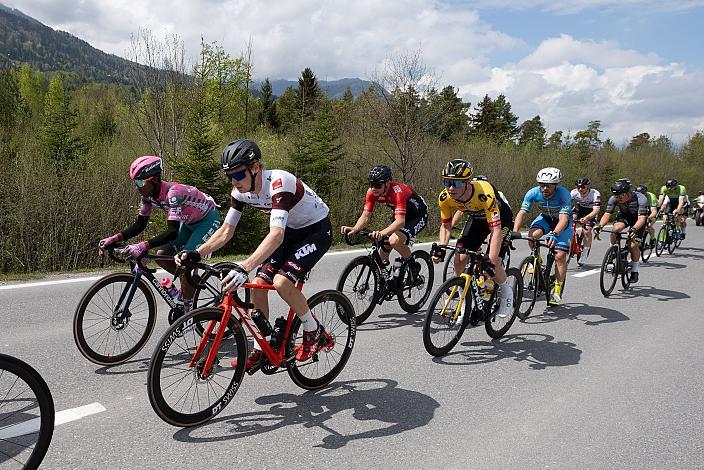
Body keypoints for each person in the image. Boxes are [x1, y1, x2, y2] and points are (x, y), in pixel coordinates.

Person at [176, 139, 333, 371]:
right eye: (229, 176)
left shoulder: (280, 183)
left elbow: (276, 234)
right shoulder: (239, 193)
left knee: (281, 283)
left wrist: (244, 266)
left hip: (316, 231)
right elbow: (227, 230)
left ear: (256, 167)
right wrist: (197, 253)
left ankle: (313, 330)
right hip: (290, 231)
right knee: (257, 284)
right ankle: (262, 347)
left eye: (238, 175)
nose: (234, 181)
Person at [98, 156, 220, 319]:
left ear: (154, 180)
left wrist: (142, 246)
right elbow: (140, 225)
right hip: (188, 222)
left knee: (186, 260)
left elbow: (172, 232)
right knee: (161, 256)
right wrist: (114, 238)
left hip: (207, 220)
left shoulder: (173, 194)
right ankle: (188, 280)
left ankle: (189, 314)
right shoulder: (147, 196)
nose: (137, 187)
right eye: (135, 182)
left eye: (140, 183)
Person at [432, 159, 514, 318]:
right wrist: (442, 247)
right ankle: (464, 300)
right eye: (447, 182)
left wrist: (490, 259)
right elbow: (446, 226)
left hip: (501, 220)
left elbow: (495, 229)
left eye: (456, 184)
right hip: (477, 219)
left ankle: (506, 291)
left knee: (493, 262)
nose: (450, 187)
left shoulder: (484, 193)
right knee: (460, 258)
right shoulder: (445, 197)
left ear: (468, 182)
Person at [340, 164, 428, 281]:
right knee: (383, 248)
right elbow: (365, 216)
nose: (373, 188)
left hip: (417, 216)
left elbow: (400, 222)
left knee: (394, 240)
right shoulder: (371, 193)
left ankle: (413, 266)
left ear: (388, 183)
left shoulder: (398, 192)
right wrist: (355, 228)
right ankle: (385, 280)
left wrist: (381, 232)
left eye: (377, 185)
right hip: (400, 215)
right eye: (371, 184)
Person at [513, 167, 572, 306]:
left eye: (549, 185)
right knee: (532, 235)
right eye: (542, 184)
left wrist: (555, 234)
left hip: (562, 223)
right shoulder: (533, 193)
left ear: (556, 185)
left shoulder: (563, 194)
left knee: (559, 256)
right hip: (545, 219)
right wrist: (515, 231)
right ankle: (536, 259)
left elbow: (563, 219)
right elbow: (522, 213)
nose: (544, 188)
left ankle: (557, 290)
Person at [595, 180, 648, 283]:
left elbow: (641, 219)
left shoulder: (641, 198)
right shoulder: (613, 199)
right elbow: (607, 214)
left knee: (633, 245)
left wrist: (634, 229)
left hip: (638, 219)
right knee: (615, 229)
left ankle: (634, 271)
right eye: (616, 196)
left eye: (620, 196)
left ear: (628, 193)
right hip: (625, 216)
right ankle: (612, 252)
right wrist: (600, 226)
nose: (618, 198)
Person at [570, 177, 601, 265]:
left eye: (583, 187)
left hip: (591, 211)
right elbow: (565, 204)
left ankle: (585, 252)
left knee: (587, 231)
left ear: (587, 187)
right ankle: (571, 241)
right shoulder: (574, 192)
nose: (580, 189)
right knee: (569, 221)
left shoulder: (595, 194)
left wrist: (586, 218)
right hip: (580, 208)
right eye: (578, 187)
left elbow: (596, 211)